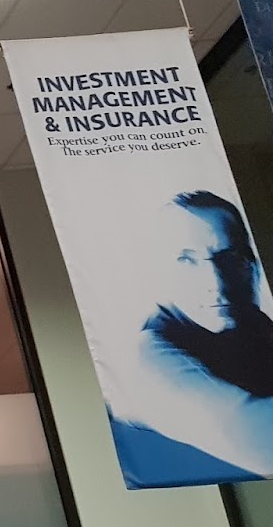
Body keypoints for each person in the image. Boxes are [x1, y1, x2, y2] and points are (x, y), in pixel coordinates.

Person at [102, 190, 273, 482]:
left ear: (252, 265)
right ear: (158, 273)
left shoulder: (249, 322)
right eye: (186, 260)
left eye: (230, 258)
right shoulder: (146, 359)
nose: (216, 283)